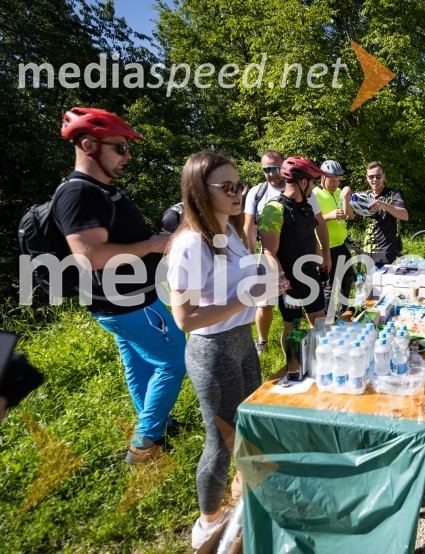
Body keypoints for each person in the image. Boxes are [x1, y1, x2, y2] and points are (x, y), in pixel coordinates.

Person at [166, 151, 287, 549]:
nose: (239, 192)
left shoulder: (232, 232)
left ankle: (243, 495)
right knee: (221, 443)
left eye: (240, 185)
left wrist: (268, 283)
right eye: (229, 187)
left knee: (249, 427)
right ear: (200, 191)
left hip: (240, 341)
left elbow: (242, 284)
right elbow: (185, 318)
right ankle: (207, 523)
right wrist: (248, 296)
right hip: (212, 349)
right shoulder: (189, 243)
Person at [54, 107, 186, 464]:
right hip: (129, 303)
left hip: (118, 303)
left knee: (139, 365)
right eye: (120, 148)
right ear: (88, 145)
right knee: (174, 360)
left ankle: (157, 422)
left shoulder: (99, 190)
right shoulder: (80, 193)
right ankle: (144, 444)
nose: (127, 156)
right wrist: (153, 245)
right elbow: (91, 255)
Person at [243, 150, 331, 355]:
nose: (314, 186)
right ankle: (292, 368)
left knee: (319, 324)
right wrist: (283, 281)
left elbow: (311, 237)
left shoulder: (306, 207)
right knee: (291, 328)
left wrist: (322, 261)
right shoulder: (274, 209)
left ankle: (316, 363)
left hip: (309, 274)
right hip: (288, 278)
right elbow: (269, 252)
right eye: (312, 181)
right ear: (302, 182)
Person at [313, 160, 355, 312]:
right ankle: (325, 318)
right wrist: (329, 216)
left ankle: (344, 311)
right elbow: (309, 220)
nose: (335, 184)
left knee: (349, 277)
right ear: (322, 178)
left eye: (338, 180)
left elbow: (350, 216)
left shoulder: (338, 193)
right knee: (329, 286)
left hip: (341, 244)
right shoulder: (314, 194)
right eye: (332, 180)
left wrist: (347, 198)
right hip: (326, 247)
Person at [363, 161, 409, 266]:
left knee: (384, 282)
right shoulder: (365, 195)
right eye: (371, 177)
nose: (374, 180)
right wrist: (346, 194)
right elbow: (349, 215)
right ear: (367, 178)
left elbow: (405, 215)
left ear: (384, 176)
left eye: (378, 176)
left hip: (385, 251)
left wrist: (383, 205)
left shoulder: (393, 194)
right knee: (369, 282)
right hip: (367, 250)